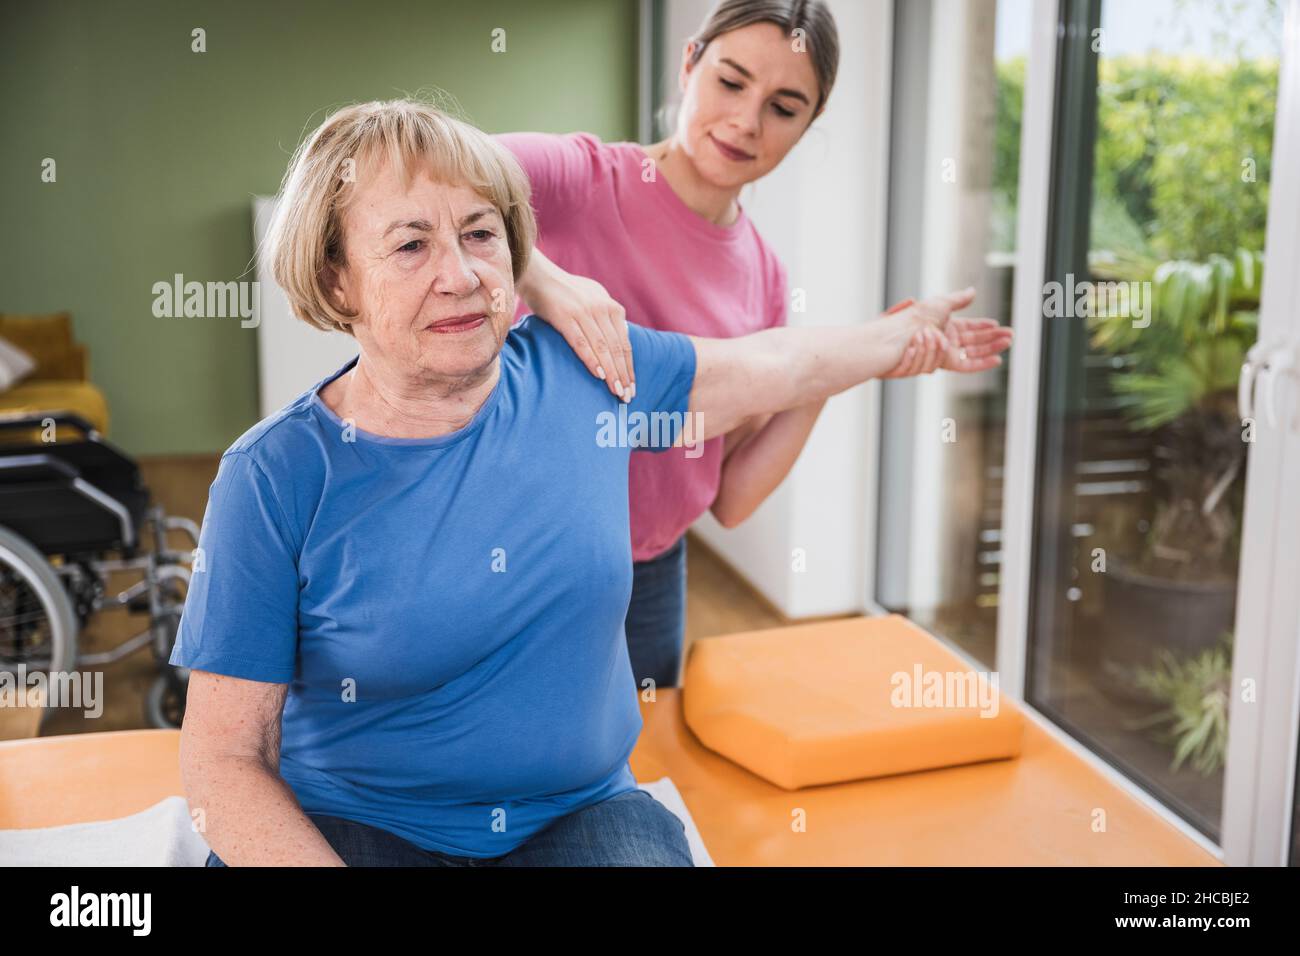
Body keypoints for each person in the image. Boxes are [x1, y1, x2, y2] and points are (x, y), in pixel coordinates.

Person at [172, 98, 1012, 867]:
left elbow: (776, 363)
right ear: (334, 281)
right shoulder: (274, 475)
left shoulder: (587, 376)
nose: (460, 274)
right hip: (357, 825)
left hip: (572, 817)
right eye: (410, 245)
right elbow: (221, 760)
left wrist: (902, 336)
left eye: (478, 233)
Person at [496, 0, 917, 689]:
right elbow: (430, 158)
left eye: (784, 107)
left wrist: (838, 367)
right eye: (731, 81)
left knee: (639, 770)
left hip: (653, 574)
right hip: (523, 561)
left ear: (807, 127)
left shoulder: (766, 277)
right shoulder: (581, 179)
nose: (746, 122)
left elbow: (731, 497)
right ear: (689, 64)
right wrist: (541, 277)